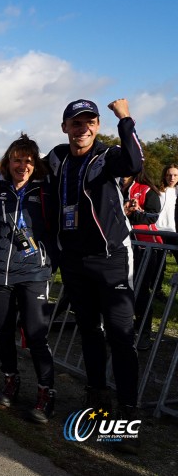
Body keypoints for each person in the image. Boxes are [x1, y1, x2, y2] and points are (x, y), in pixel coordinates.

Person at [46, 98, 144, 454]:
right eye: (76, 123)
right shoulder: (56, 158)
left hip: (112, 259)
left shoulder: (107, 157)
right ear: (65, 127)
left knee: (121, 336)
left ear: (98, 126)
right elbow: (26, 168)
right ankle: (98, 397)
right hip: (75, 261)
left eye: (89, 122)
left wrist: (126, 118)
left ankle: (128, 414)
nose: (82, 128)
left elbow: (135, 161)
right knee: (89, 331)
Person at [0, 134, 57, 423]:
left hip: (33, 273)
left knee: (35, 334)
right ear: (8, 161)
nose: (22, 165)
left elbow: (58, 228)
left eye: (28, 161)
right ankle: (10, 379)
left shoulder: (46, 191)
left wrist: (52, 261)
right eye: (17, 160)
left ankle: (46, 391)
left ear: (36, 164)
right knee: (4, 331)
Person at [122, 169, 162, 351]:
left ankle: (144, 332)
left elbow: (153, 216)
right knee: (120, 289)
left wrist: (133, 213)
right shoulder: (115, 187)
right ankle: (122, 329)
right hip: (120, 246)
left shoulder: (146, 189)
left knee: (141, 291)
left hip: (143, 247)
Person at [156, 163, 177, 233]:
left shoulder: (177, 192)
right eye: (169, 175)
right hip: (157, 229)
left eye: (175, 175)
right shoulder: (157, 191)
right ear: (164, 176)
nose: (172, 178)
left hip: (173, 230)